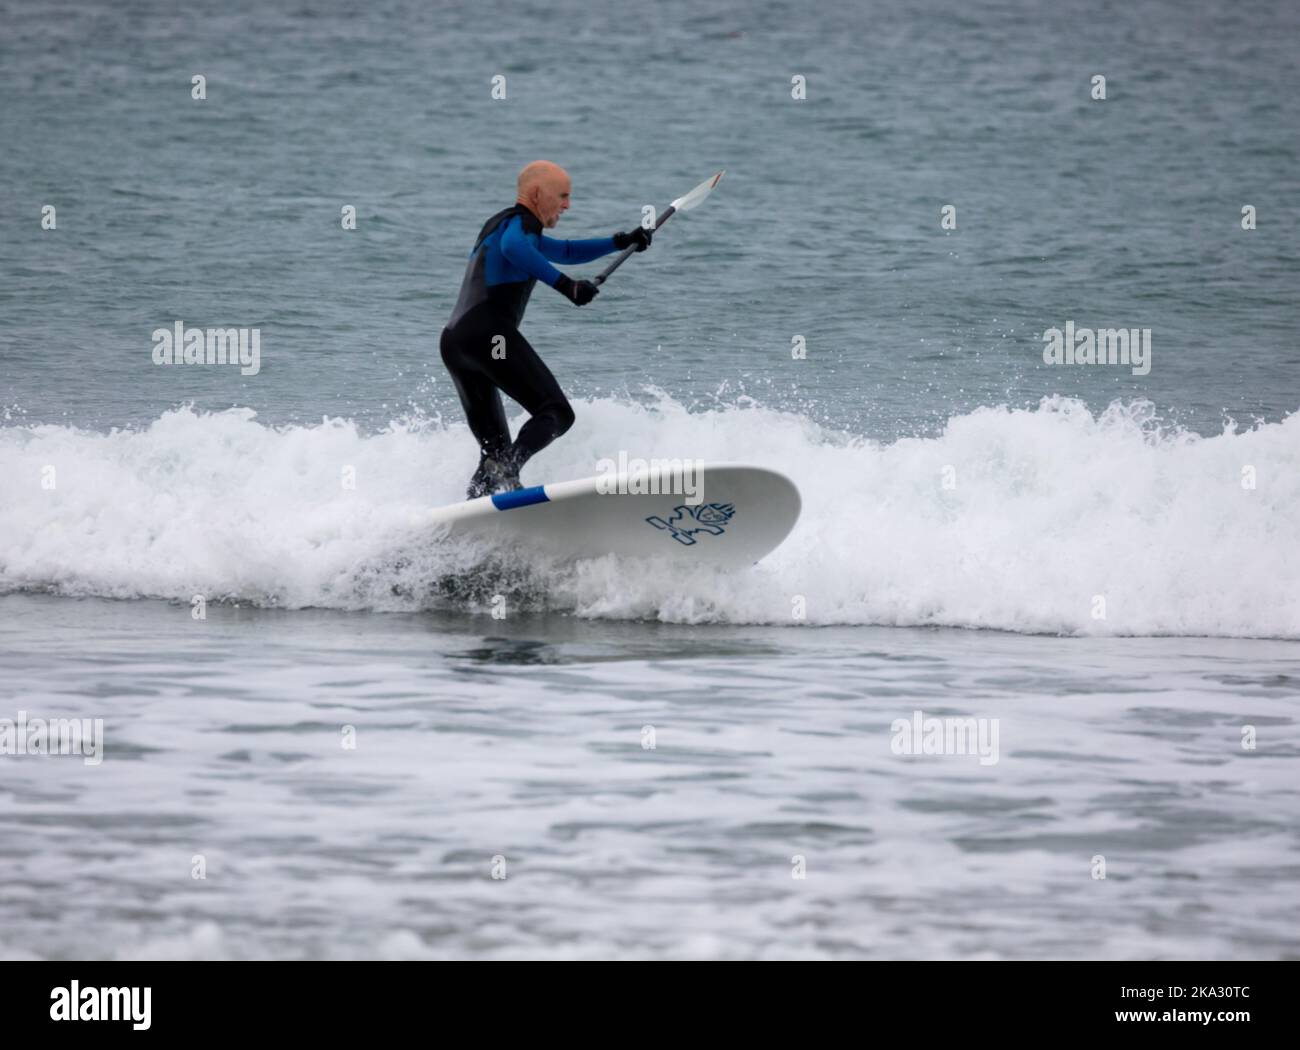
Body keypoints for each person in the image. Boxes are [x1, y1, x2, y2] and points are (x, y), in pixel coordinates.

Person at [439, 160, 652, 498]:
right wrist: (567, 287)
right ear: (537, 194)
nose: (567, 205)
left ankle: (476, 510)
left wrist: (621, 241)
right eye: (563, 196)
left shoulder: (505, 224)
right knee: (556, 412)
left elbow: (565, 250)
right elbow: (515, 249)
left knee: (493, 451)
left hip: (455, 342)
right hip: (488, 336)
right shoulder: (521, 226)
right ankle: (508, 470)